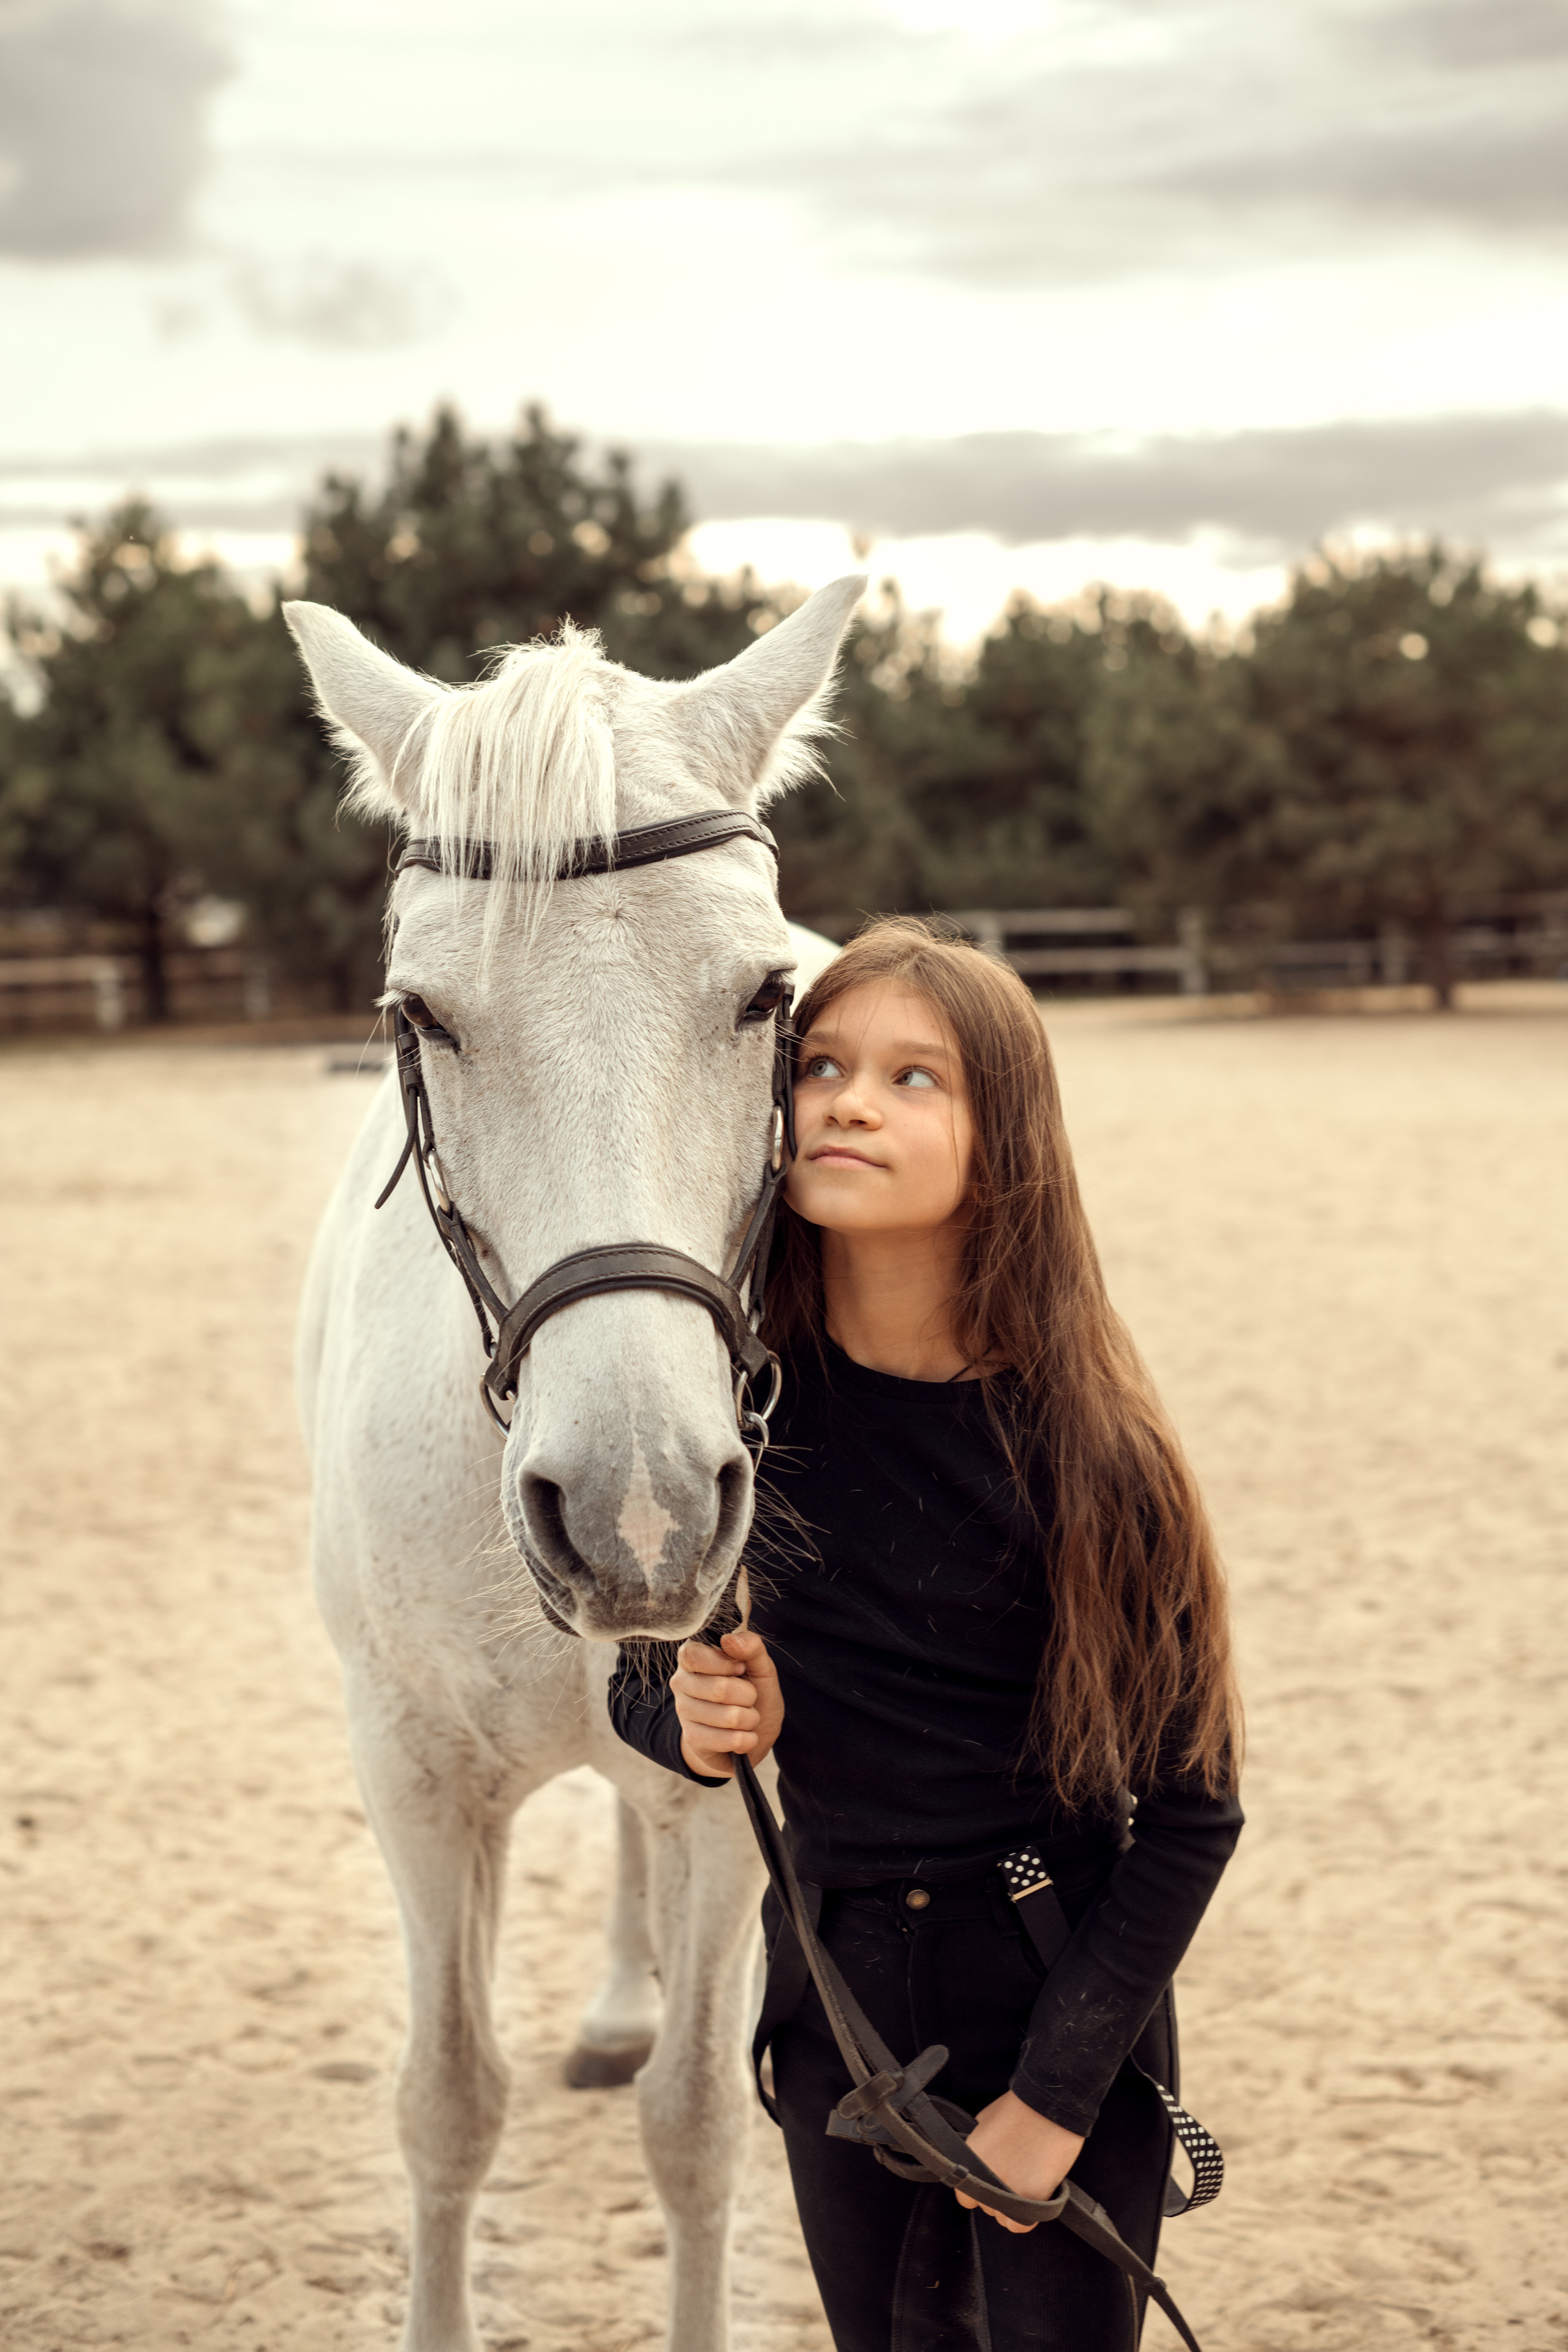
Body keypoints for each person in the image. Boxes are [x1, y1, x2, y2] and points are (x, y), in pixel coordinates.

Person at [609, 917, 1243, 2352]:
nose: (844, 1099)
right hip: (830, 1997)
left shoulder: (1094, 1454)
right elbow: (636, 1675)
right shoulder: (734, 1426)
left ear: (1002, 1139)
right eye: (821, 1066)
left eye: (913, 1079)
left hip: (1047, 1978)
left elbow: (1192, 1813)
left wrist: (1056, 2101)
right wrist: (695, 1724)